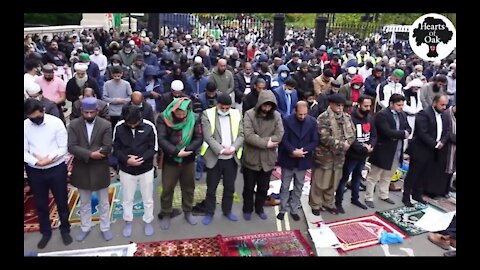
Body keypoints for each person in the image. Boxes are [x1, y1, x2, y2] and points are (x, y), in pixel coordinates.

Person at [24, 99, 73, 249]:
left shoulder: (55, 123)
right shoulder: (25, 126)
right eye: (32, 118)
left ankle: (65, 229)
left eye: (38, 117)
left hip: (56, 168)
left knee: (61, 201)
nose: (35, 120)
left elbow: (63, 147)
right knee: (40, 203)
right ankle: (45, 232)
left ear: (43, 111)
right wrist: (37, 162)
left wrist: (48, 159)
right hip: (35, 170)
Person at [67, 97, 113, 241]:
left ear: (97, 111)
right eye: (85, 112)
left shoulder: (105, 124)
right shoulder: (74, 124)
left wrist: (96, 153)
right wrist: (91, 154)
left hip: (100, 168)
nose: (88, 115)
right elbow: (72, 146)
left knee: (104, 202)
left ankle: (105, 227)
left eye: (91, 112)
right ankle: (85, 227)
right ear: (81, 111)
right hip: (82, 168)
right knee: (85, 202)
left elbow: (107, 146)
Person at [157, 97, 203, 230]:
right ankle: (166, 213)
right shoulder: (163, 118)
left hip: (188, 159)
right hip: (171, 160)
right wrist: (176, 152)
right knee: (167, 188)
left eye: (184, 114)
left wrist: (187, 150)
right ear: (173, 110)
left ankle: (188, 211)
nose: (182, 116)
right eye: (179, 113)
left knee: (189, 187)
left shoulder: (194, 117)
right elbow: (162, 139)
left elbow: (199, 137)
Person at [113, 105, 158, 237]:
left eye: (135, 124)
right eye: (129, 124)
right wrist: (127, 160)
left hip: (146, 169)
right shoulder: (119, 127)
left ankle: (148, 220)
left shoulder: (149, 126)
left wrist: (142, 159)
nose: (132, 126)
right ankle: (128, 220)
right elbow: (115, 148)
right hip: (126, 170)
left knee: (148, 198)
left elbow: (154, 148)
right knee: (127, 198)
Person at [200, 94, 244, 225]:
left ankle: (227, 210)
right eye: (222, 108)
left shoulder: (236, 114)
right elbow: (208, 137)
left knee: (229, 187)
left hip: (231, 158)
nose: (224, 110)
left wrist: (233, 148)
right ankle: (209, 212)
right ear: (217, 104)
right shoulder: (207, 114)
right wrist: (221, 150)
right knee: (211, 188)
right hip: (215, 158)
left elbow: (242, 134)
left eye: (227, 108)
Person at [309, 94, 356, 215]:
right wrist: (342, 145)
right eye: (337, 105)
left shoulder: (346, 117)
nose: (340, 108)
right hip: (324, 156)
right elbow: (324, 138)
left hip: (339, 157)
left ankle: (328, 203)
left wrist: (348, 142)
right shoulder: (323, 118)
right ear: (331, 104)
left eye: (342, 105)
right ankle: (316, 204)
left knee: (333, 182)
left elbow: (352, 133)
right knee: (320, 182)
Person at [242, 90, 284, 220]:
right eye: (265, 105)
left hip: (268, 159)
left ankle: (259, 208)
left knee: (263, 187)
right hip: (252, 158)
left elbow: (279, 134)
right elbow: (248, 136)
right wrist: (266, 143)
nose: (267, 108)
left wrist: (259, 139)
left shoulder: (276, 116)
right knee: (248, 187)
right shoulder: (249, 114)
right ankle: (247, 209)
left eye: (269, 106)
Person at [365, 94, 411, 208]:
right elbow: (386, 131)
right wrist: (403, 134)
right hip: (383, 149)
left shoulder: (402, 115)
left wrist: (404, 133)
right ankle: (369, 197)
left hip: (397, 150)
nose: (401, 107)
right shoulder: (382, 115)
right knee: (374, 176)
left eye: (402, 105)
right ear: (391, 104)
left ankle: (384, 194)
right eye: (398, 105)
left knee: (388, 175)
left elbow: (408, 128)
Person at [403, 95, 450, 206]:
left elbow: (447, 130)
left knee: (424, 174)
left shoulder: (444, 115)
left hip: (434, 151)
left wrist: (442, 142)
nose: (444, 107)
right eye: (442, 104)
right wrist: (435, 144)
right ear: (434, 103)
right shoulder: (423, 113)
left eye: (445, 105)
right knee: (413, 174)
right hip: (421, 149)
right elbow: (422, 133)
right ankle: (406, 196)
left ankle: (417, 194)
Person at [277, 101, 318, 221]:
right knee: (285, 186)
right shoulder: (287, 120)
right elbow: (284, 139)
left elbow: (315, 141)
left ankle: (294, 209)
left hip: (303, 159)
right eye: (300, 114)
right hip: (288, 158)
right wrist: (293, 151)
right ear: (295, 111)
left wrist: (303, 151)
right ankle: (283, 209)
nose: (302, 117)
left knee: (298, 187)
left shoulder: (312, 122)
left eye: (305, 114)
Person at [334, 95, 377, 213]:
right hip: (351, 155)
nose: (368, 108)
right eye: (365, 106)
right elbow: (349, 136)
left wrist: (371, 146)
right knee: (344, 178)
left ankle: (355, 198)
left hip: (363, 155)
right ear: (358, 104)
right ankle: (338, 202)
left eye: (369, 106)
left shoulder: (369, 118)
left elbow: (373, 134)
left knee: (358, 177)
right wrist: (362, 147)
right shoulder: (350, 118)